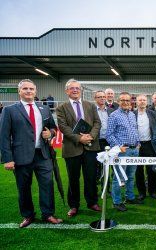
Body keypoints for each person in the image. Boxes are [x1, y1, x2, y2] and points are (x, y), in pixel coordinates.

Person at [0, 79, 62, 228]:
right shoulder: (9, 110)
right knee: (24, 188)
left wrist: (51, 133)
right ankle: (28, 215)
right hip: (20, 156)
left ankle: (48, 214)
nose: (29, 91)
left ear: (35, 91)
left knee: (47, 185)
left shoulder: (44, 108)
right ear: (19, 91)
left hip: (43, 154)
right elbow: (3, 136)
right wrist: (7, 159)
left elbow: (53, 128)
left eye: (31, 89)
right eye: (25, 89)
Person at [56, 79, 102, 217]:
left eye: (77, 88)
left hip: (90, 147)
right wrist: (79, 138)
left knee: (91, 177)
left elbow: (97, 123)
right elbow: (63, 127)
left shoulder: (90, 105)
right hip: (72, 148)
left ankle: (92, 202)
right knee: (73, 178)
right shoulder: (61, 108)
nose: (75, 90)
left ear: (80, 90)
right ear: (67, 91)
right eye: (72, 88)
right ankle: (74, 205)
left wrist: (91, 136)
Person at [106, 92, 142, 212]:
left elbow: (135, 130)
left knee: (131, 176)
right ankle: (117, 201)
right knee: (118, 177)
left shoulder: (132, 114)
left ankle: (130, 197)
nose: (126, 102)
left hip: (134, 150)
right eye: (123, 100)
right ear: (118, 101)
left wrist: (138, 143)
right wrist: (118, 147)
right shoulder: (114, 115)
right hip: (122, 151)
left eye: (128, 100)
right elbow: (109, 134)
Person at [134, 94, 156, 200]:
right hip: (137, 146)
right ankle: (141, 192)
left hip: (150, 144)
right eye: (140, 100)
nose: (142, 102)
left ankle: (152, 191)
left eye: (144, 100)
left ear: (147, 102)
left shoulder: (152, 114)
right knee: (138, 170)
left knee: (151, 170)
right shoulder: (132, 114)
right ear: (136, 102)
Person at [94, 90, 114, 187]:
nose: (102, 98)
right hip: (96, 141)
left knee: (108, 165)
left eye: (103, 97)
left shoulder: (111, 111)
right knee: (97, 166)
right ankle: (95, 187)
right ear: (95, 99)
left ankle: (106, 188)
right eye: (99, 97)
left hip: (108, 141)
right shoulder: (91, 110)